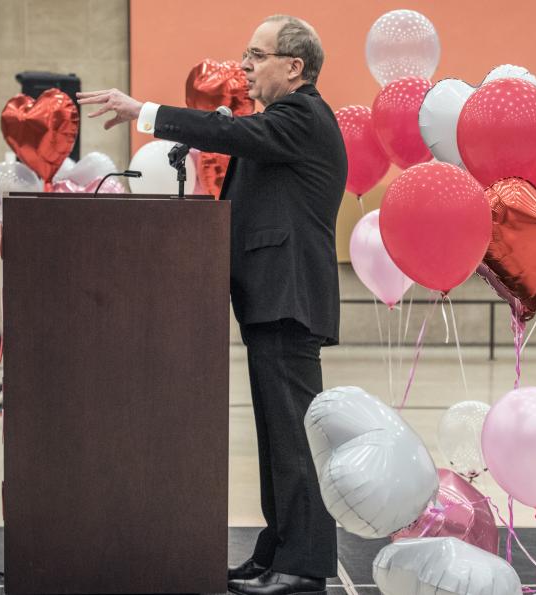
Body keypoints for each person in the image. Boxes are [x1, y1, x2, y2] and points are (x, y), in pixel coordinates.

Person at [77, 14, 346, 595]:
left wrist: (143, 112)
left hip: (288, 299)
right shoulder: (283, 122)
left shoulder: (300, 116)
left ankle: (303, 567)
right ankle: (277, 553)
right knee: (279, 437)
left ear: (294, 67)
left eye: (256, 54)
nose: (244, 65)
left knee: (294, 441)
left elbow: (235, 138)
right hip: (273, 299)